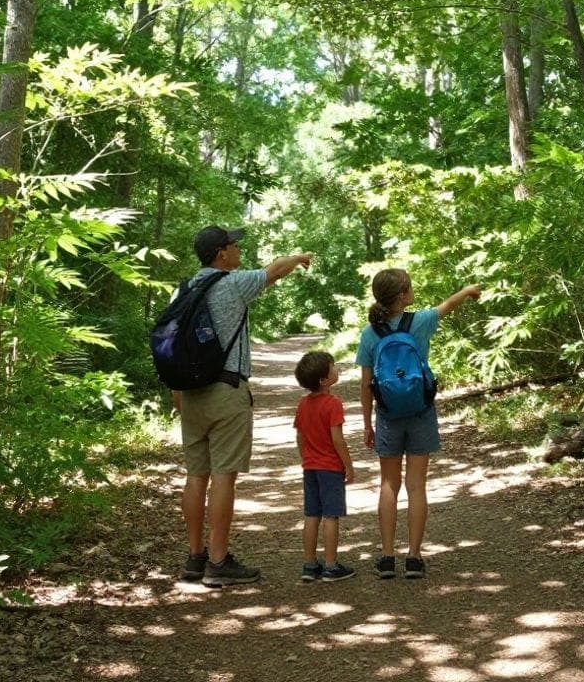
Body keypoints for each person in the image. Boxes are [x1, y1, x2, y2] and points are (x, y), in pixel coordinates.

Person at [175, 225, 313, 587]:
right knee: (223, 477)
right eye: (234, 245)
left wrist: (176, 390)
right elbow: (275, 270)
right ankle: (218, 561)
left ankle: (194, 557)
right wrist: (298, 258)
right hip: (226, 390)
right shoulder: (232, 284)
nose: (238, 250)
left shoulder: (184, 288)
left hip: (189, 392)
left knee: (195, 475)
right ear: (221, 253)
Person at [356, 269, 480, 579]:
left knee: (388, 484)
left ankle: (386, 557)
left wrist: (367, 423)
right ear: (402, 296)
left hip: (387, 416)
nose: (412, 291)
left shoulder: (370, 333)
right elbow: (448, 305)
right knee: (416, 486)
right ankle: (413, 557)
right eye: (409, 287)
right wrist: (467, 291)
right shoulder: (420, 322)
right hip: (421, 412)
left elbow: (365, 384)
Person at [292, 351, 357, 583]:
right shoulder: (333, 404)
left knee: (311, 514)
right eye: (333, 367)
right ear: (324, 379)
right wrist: (348, 465)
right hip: (330, 468)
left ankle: (310, 564)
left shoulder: (303, 405)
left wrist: (306, 457)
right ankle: (330, 565)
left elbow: (300, 436)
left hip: (310, 467)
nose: (336, 369)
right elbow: (337, 438)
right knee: (331, 515)